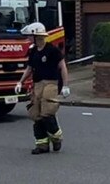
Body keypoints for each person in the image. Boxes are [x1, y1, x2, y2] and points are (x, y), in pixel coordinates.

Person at [15, 22, 70, 154]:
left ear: (36, 36)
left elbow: (62, 67)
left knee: (47, 112)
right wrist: (20, 82)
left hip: (50, 83)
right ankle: (42, 144)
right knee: (36, 114)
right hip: (37, 84)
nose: (28, 39)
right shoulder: (33, 51)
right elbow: (29, 68)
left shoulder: (52, 50)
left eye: (30, 36)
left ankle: (56, 138)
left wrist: (66, 86)